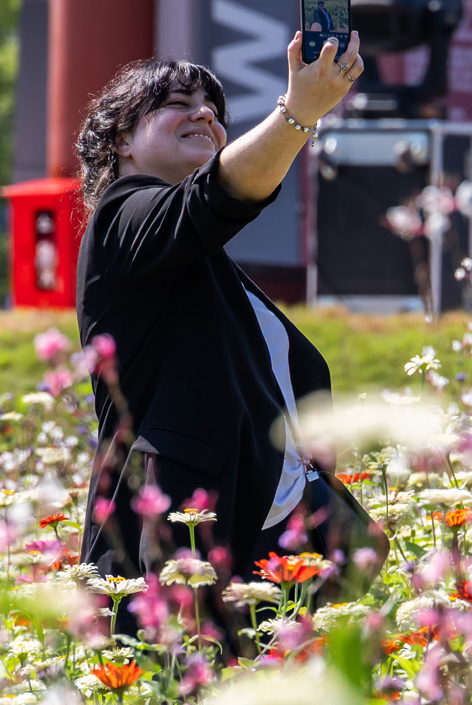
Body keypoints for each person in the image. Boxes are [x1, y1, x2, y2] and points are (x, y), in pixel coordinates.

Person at [72, 30, 377, 605]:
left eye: (213, 109)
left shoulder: (208, 269)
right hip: (179, 553)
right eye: (177, 104)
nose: (205, 114)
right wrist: (298, 113)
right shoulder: (120, 217)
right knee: (173, 665)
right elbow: (217, 197)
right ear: (122, 140)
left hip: (261, 558)